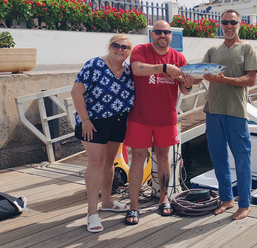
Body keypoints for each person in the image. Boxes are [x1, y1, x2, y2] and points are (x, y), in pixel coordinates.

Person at [123, 20, 194, 225]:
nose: (163, 35)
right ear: (151, 35)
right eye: (158, 32)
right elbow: (137, 69)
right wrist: (164, 67)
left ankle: (164, 199)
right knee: (138, 159)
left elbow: (184, 88)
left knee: (163, 157)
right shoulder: (141, 50)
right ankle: (133, 206)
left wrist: (188, 85)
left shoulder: (179, 57)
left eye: (167, 32)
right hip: (140, 117)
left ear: (171, 36)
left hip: (166, 118)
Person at [71, 34, 135, 233]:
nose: (120, 49)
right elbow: (76, 92)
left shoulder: (128, 70)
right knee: (96, 162)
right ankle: (92, 212)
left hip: (117, 120)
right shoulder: (94, 65)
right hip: (94, 121)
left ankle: (107, 201)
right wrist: (85, 121)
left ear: (129, 51)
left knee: (109, 162)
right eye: (116, 45)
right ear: (109, 46)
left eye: (125, 47)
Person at [201, 9, 257, 220]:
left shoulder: (247, 48)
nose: (228, 26)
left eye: (232, 22)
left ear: (239, 24)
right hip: (213, 111)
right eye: (225, 22)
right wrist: (186, 77)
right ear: (221, 24)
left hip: (235, 112)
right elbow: (201, 74)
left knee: (242, 158)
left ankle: (244, 203)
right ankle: (227, 198)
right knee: (218, 158)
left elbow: (251, 80)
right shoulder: (212, 50)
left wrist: (224, 80)